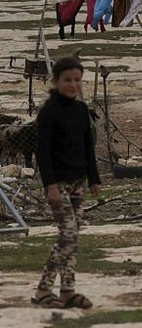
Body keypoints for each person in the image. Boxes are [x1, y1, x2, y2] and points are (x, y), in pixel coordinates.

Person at [31, 57, 101, 309]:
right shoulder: (48, 112)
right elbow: (43, 152)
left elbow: (87, 147)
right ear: (56, 81)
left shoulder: (82, 110)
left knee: (72, 237)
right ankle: (42, 290)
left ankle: (67, 291)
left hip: (79, 182)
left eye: (77, 80)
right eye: (67, 80)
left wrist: (94, 178)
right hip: (57, 183)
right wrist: (49, 185)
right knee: (68, 237)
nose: (73, 85)